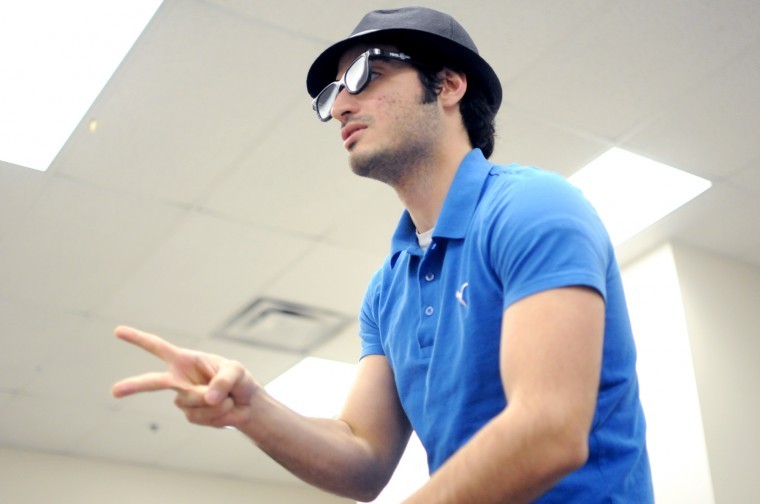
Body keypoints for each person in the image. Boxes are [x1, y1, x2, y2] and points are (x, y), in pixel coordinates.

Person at [112, 7, 654, 503]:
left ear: (448, 84)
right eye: (332, 94)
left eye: (364, 76)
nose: (341, 105)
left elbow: (549, 430)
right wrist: (253, 409)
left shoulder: (532, 206)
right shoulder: (387, 289)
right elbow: (364, 457)